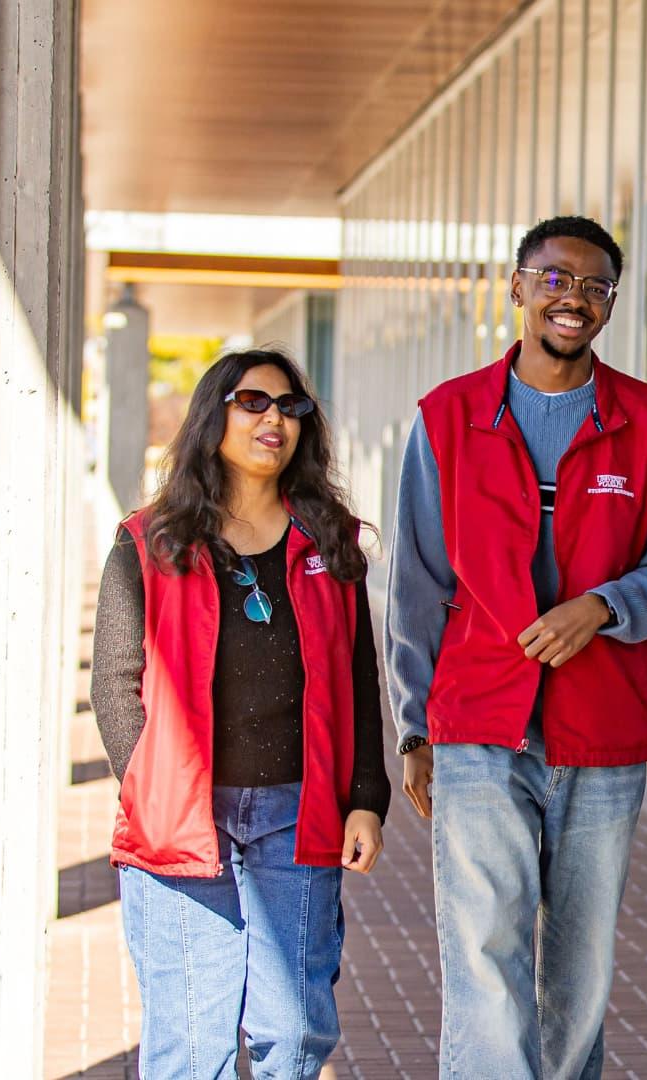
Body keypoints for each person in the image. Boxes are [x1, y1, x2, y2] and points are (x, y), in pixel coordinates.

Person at [387, 216, 647, 1080]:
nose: (574, 298)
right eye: (556, 278)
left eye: (596, 286)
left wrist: (601, 607)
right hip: (478, 725)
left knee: (581, 968)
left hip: (603, 731)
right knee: (485, 954)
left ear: (609, 303)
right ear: (520, 285)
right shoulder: (447, 419)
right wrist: (414, 728)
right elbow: (417, 583)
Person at [90, 348, 390, 1080]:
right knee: (191, 1048)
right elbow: (113, 682)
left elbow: (358, 678)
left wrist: (366, 800)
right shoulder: (149, 542)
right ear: (212, 415)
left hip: (300, 812)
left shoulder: (331, 541)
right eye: (253, 402)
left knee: (292, 1036)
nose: (274, 420)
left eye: (291, 408)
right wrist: (150, 787)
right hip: (183, 819)